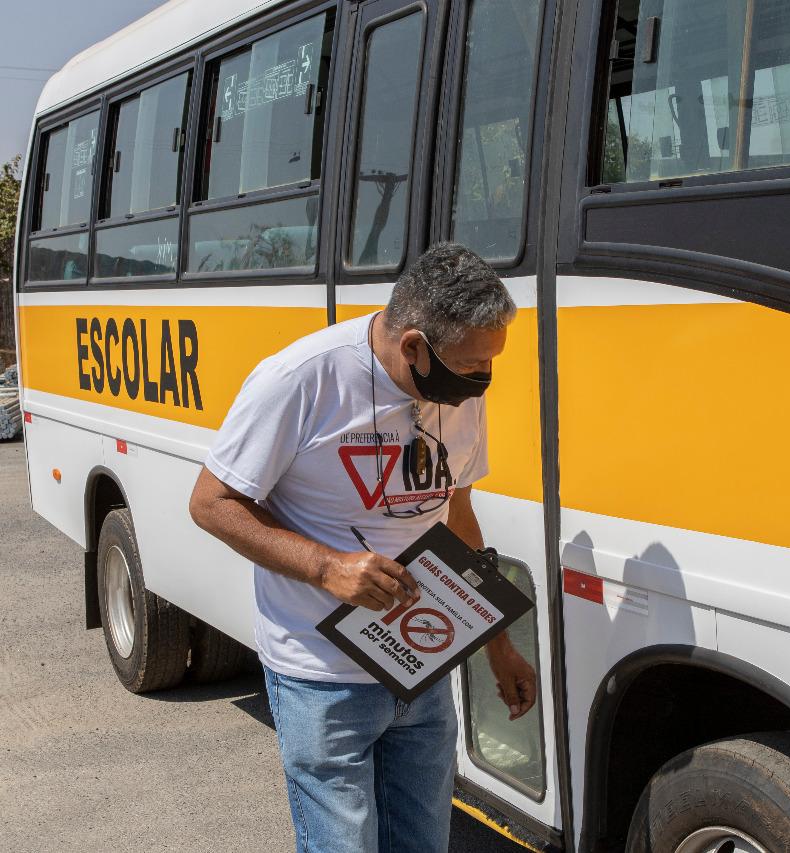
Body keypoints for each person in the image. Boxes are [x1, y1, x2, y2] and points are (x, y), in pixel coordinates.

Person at [189, 242, 537, 853]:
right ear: (412, 347)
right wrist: (327, 568)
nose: (483, 381)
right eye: (470, 367)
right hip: (321, 678)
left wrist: (497, 646)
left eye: (490, 363)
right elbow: (211, 504)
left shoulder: (461, 395)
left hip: (422, 672)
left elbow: (457, 514)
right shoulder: (301, 379)